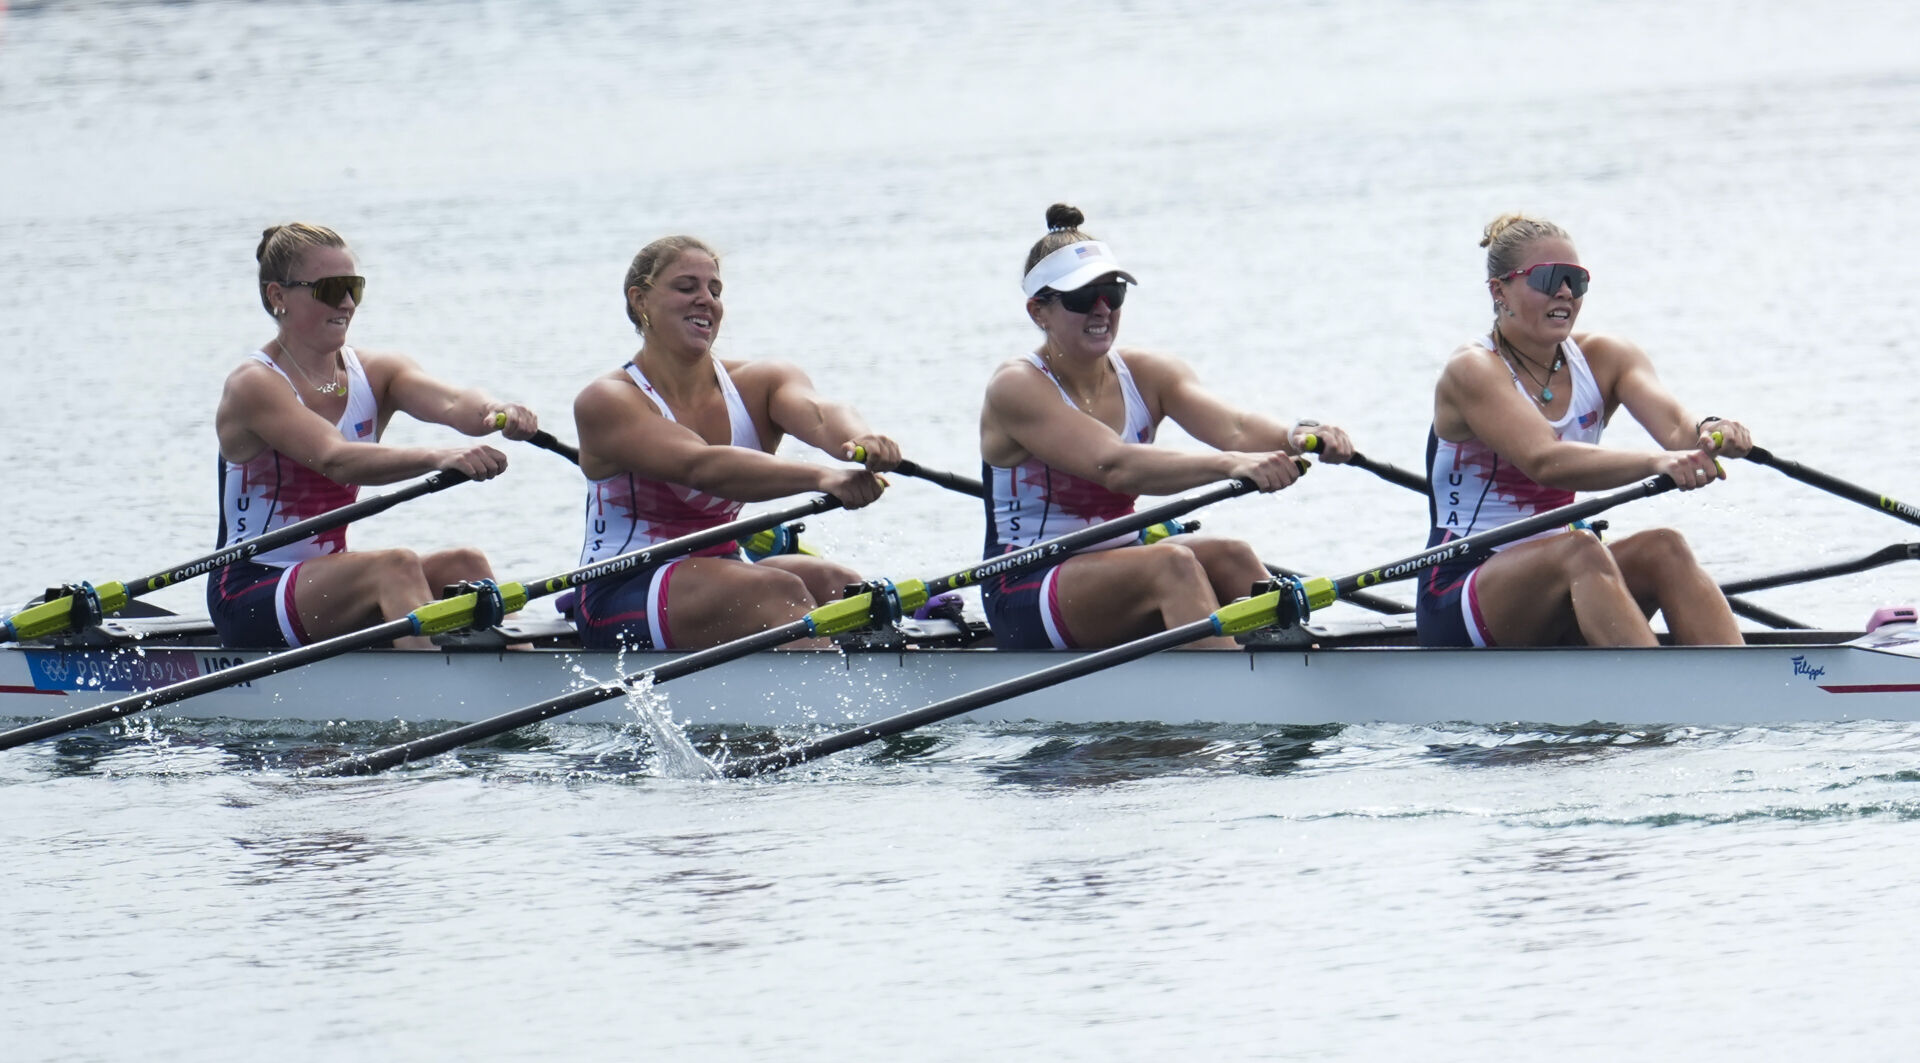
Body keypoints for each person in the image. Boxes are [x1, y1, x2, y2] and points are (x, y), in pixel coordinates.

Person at [978, 204, 1355, 651]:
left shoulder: (1147, 373)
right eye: (1082, 298)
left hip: (1120, 563)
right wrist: (1232, 465)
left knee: (1232, 555)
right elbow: (1114, 465)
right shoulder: (1017, 387)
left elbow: (1233, 427)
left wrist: (1296, 435)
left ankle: (1290, 671)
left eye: (1113, 293)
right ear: (1038, 311)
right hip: (1025, 587)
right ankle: (1236, 699)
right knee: (1171, 565)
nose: (1102, 310)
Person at [1418, 212, 1752, 648]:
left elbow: (1675, 427)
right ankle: (1658, 699)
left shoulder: (1605, 357)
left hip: (1565, 576)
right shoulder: (1473, 370)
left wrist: (1711, 430)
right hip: (1463, 584)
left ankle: (1738, 690)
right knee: (1582, 548)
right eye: (1547, 279)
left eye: (1575, 281)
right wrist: (1656, 463)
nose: (1564, 292)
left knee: (1664, 548)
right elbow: (1545, 461)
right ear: (1499, 291)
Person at [210, 223, 538, 649]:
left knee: (466, 564)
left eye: (353, 288)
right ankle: (434, 705)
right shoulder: (254, 384)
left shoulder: (375, 371)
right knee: (394, 565)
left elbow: (456, 403)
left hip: (325, 583)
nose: (346, 303)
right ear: (278, 296)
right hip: (250, 590)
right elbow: (335, 458)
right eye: (330, 289)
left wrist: (497, 410)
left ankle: (529, 694)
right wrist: (438, 457)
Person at [570, 235, 901, 651]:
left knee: (846, 588)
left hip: (720, 572)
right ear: (640, 300)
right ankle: (834, 708)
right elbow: (703, 468)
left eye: (714, 290)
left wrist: (859, 440)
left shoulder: (759, 383)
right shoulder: (608, 401)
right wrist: (824, 477)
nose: (705, 299)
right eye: (686, 287)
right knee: (776, 591)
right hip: (622, 592)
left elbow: (819, 410)